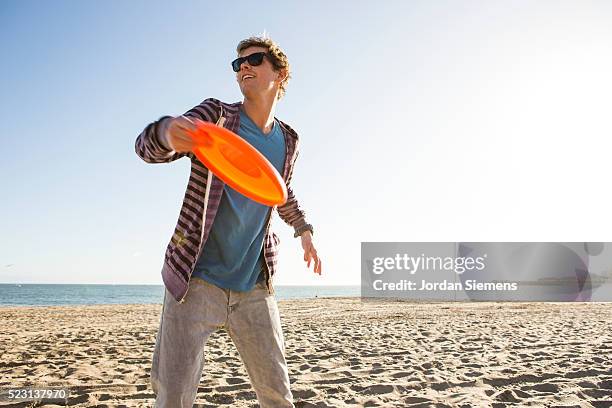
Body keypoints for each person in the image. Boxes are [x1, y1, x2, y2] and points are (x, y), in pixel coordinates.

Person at [135, 36, 322, 407]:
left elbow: (280, 191)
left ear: (280, 73)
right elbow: (148, 146)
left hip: (253, 284)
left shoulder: (289, 140)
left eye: (254, 60)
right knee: (173, 396)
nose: (244, 68)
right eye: (238, 65)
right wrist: (167, 133)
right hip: (196, 279)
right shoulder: (217, 116)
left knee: (277, 395)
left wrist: (304, 231)